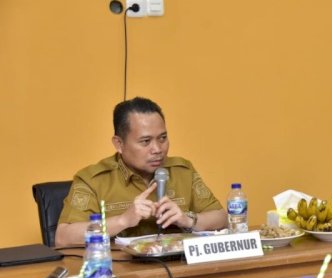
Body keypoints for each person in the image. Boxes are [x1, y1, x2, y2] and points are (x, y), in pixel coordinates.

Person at [55, 97, 227, 247]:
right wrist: (122, 221)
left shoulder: (183, 171)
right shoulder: (93, 180)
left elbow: (222, 218)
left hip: (177, 269)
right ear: (119, 144)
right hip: (119, 274)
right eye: (145, 141)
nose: (157, 149)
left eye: (163, 138)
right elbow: (63, 237)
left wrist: (188, 220)